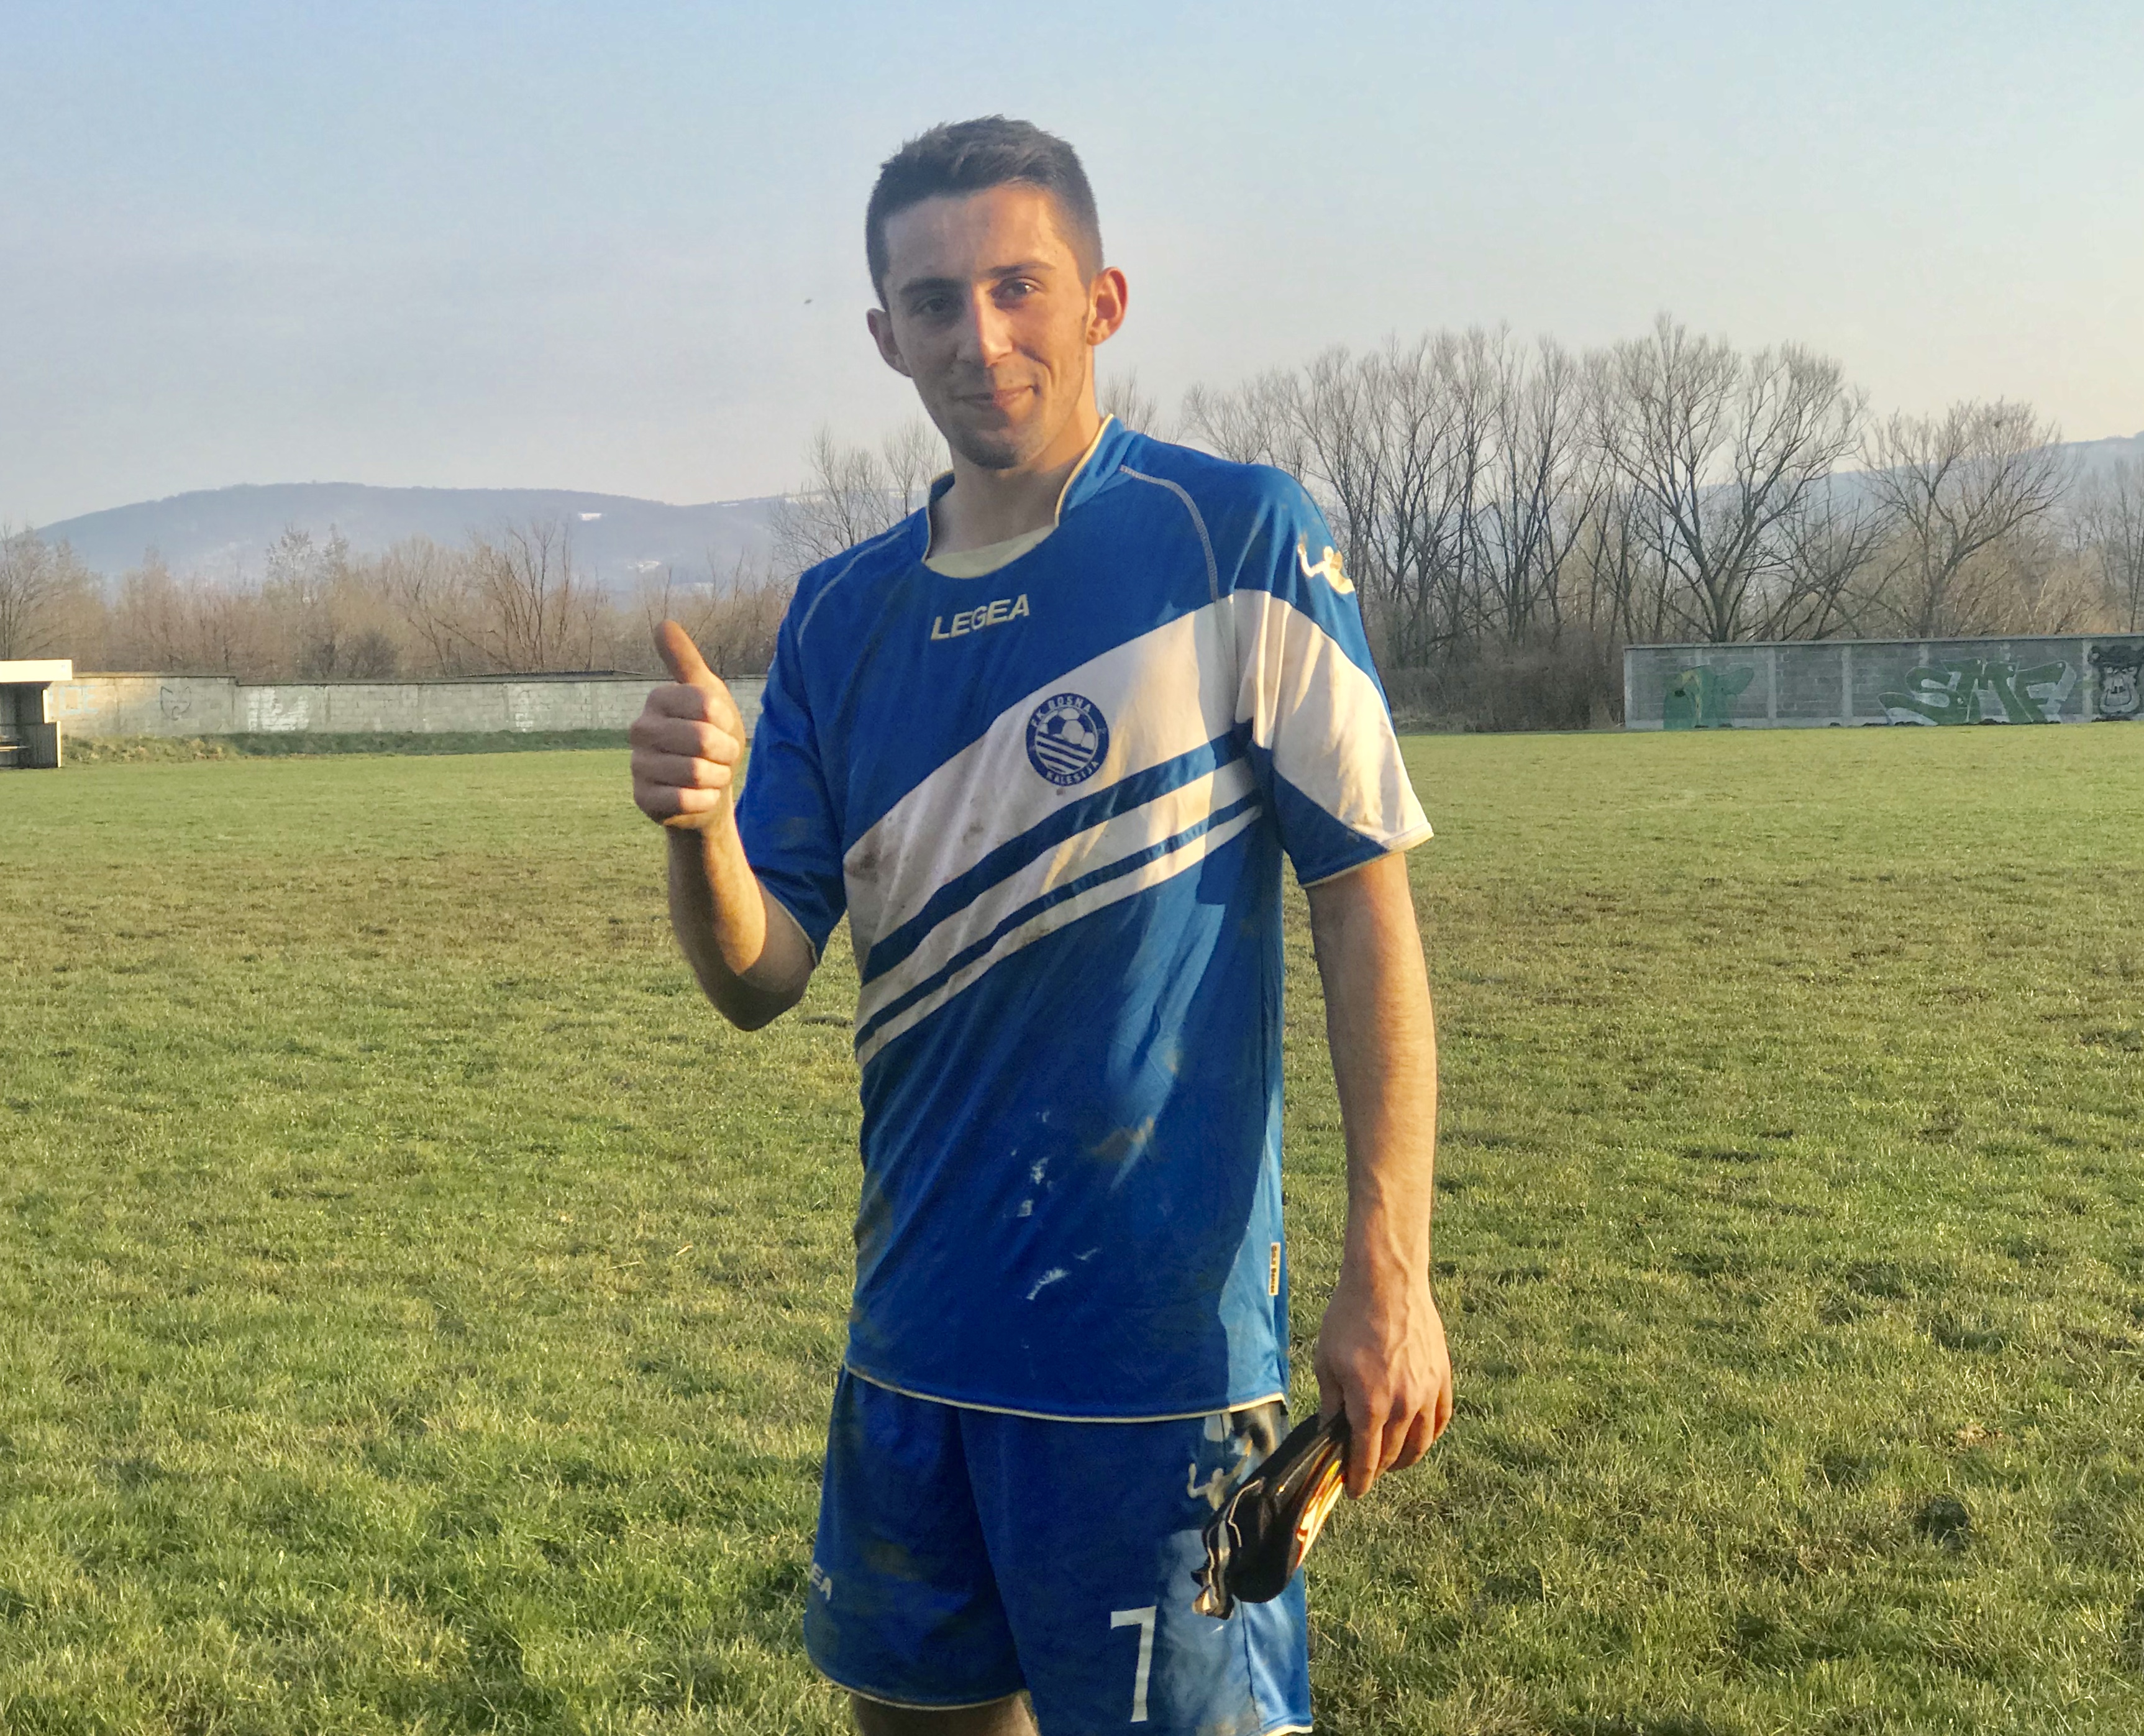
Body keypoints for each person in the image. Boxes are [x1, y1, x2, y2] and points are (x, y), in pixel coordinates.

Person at [631, 116, 1452, 1736]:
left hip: (1157, 1368)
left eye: (1018, 287)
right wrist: (699, 830)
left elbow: (1366, 912)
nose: (979, 334)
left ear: (1102, 301)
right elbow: (758, 975)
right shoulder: (840, 615)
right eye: (935, 302)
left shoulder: (1235, 537)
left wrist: (1391, 1271)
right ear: (886, 335)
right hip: (912, 1346)